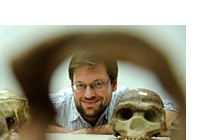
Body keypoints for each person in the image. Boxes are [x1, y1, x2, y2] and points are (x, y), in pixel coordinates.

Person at [47, 52, 179, 135]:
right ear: (72, 86)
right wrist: (56, 131)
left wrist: (93, 131)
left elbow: (173, 110)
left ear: (114, 84)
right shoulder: (56, 104)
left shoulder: (128, 100)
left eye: (98, 84)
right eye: (80, 85)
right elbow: (27, 121)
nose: (89, 95)